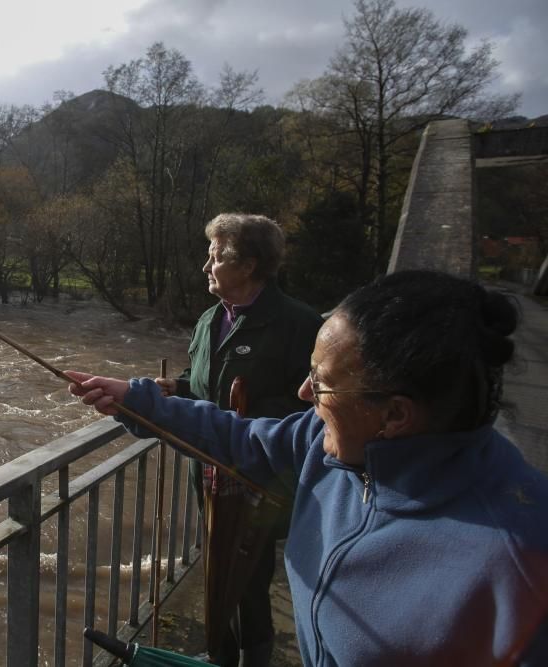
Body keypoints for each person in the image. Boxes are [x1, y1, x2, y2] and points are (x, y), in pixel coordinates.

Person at [68, 270, 548, 666]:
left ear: (395, 415)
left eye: (320, 383)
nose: (303, 394)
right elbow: (241, 439)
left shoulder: (518, 565)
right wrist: (135, 400)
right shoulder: (330, 443)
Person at [155, 213, 321, 667]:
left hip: (258, 476)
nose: (206, 267)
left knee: (248, 577)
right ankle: (220, 654)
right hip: (206, 470)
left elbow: (315, 409)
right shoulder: (210, 319)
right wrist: (179, 388)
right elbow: (203, 382)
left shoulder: (298, 325)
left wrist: (246, 419)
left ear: (247, 266)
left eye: (215, 257)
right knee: (215, 568)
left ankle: (253, 657)